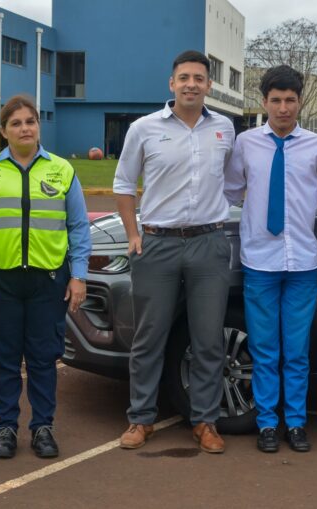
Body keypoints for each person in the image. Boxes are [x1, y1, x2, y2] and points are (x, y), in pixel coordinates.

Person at [113, 50, 235, 453]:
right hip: (158, 243)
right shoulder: (144, 129)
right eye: (184, 78)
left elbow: (235, 182)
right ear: (171, 83)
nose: (191, 85)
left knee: (207, 338)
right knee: (150, 336)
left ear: (209, 86)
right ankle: (140, 418)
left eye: (199, 78)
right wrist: (133, 234)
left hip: (209, 242)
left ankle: (205, 421)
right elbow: (124, 184)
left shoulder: (225, 129)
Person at [225, 65, 317, 453]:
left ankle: (296, 422)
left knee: (296, 349)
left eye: (290, 100)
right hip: (259, 261)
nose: (283, 108)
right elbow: (231, 190)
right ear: (264, 102)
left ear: (299, 101)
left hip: (303, 263)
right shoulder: (246, 144)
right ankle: (268, 424)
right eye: (276, 100)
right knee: (264, 349)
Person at [0, 95, 91, 460]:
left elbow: (78, 227)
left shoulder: (62, 170)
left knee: (42, 357)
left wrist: (79, 276)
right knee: (3, 358)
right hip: (0, 281)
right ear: (4, 131)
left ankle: (43, 428)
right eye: (16, 123)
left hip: (48, 279)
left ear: (39, 126)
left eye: (31, 121)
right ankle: (5, 427)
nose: (25, 128)